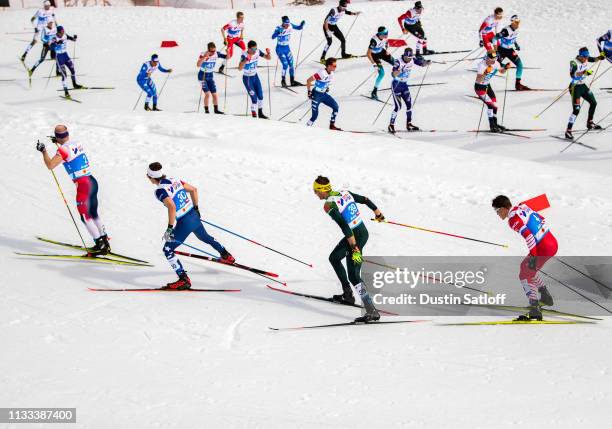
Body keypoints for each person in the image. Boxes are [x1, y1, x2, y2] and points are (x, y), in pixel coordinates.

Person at [146, 162, 234, 290]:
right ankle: (226, 255)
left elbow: (171, 206)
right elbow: (193, 189)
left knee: (167, 249)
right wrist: (196, 208)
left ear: (151, 177)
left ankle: (183, 279)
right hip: (193, 215)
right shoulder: (174, 180)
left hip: (184, 222)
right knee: (205, 237)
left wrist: (170, 228)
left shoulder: (160, 191)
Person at [313, 176, 385, 323]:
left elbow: (345, 226)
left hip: (354, 237)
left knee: (354, 275)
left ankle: (371, 311)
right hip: (361, 233)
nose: (315, 194)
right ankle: (347, 294)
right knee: (334, 258)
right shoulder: (344, 193)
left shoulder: (329, 205)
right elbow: (365, 199)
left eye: (315, 191)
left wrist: (355, 248)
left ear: (321, 191)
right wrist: (378, 213)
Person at [35, 125, 110, 254]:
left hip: (83, 186)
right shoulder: (77, 143)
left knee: (84, 216)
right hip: (92, 181)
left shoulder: (63, 150)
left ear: (58, 137)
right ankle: (105, 241)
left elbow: (51, 165)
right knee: (93, 213)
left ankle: (100, 244)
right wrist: (58, 143)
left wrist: (43, 151)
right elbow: (69, 154)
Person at [492, 195, 557, 321]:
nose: (498, 214)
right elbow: (543, 203)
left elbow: (529, 237)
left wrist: (533, 256)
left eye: (497, 211)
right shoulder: (522, 205)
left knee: (524, 274)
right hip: (551, 241)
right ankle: (545, 295)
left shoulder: (512, 219)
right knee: (525, 268)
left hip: (542, 247)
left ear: (504, 208)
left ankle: (535, 309)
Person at [565, 47, 606, 139]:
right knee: (576, 110)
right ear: (580, 56)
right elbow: (572, 75)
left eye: (587, 57)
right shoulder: (574, 62)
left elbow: (594, 59)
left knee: (593, 103)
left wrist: (600, 57)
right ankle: (568, 131)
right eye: (584, 57)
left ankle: (590, 123)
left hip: (583, 86)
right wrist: (584, 72)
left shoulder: (586, 58)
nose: (586, 59)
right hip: (575, 88)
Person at [388, 47, 430, 134]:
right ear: (404, 56)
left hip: (404, 85)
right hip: (396, 85)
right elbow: (393, 74)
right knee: (398, 107)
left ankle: (409, 124)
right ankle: (391, 125)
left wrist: (427, 63)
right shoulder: (398, 62)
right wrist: (399, 71)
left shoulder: (412, 60)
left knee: (409, 105)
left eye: (410, 58)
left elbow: (421, 64)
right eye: (407, 58)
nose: (409, 60)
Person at [474, 51, 511, 133]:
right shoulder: (481, 65)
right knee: (490, 105)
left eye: (495, 59)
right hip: (480, 87)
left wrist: (506, 68)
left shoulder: (496, 63)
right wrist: (486, 72)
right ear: (487, 58)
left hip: (487, 86)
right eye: (492, 59)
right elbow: (478, 80)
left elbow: (501, 71)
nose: (493, 61)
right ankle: (492, 126)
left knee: (495, 105)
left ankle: (495, 123)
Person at [493, 15, 530, 90]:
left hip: (510, 50)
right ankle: (483, 83)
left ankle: (518, 84)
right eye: (516, 22)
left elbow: (513, 37)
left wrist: (516, 44)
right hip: (502, 51)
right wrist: (496, 51)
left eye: (518, 22)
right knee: (497, 68)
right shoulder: (506, 31)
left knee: (520, 65)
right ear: (512, 22)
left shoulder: (516, 29)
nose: (518, 24)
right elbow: (494, 38)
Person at [239, 40, 272, 119]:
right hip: (247, 78)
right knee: (254, 98)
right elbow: (239, 68)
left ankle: (260, 113)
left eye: (255, 49)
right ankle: (254, 115)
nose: (255, 51)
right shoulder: (244, 55)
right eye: (253, 49)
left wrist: (268, 53)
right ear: (249, 49)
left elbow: (268, 58)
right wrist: (246, 60)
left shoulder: (257, 52)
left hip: (255, 76)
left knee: (260, 95)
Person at [306, 58, 341, 130]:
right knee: (314, 116)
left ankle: (332, 125)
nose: (335, 67)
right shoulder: (321, 73)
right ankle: (306, 128)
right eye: (334, 66)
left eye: (336, 66)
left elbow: (326, 82)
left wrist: (326, 88)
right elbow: (308, 80)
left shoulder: (332, 73)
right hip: (316, 95)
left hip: (324, 95)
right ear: (329, 66)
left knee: (336, 107)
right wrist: (309, 92)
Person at [271, 15, 305, 87]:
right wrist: (278, 32)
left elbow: (299, 28)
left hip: (287, 48)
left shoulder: (290, 25)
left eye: (288, 23)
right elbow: (272, 37)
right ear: (283, 23)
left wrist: (302, 24)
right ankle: (283, 81)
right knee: (285, 65)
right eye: (286, 24)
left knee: (291, 64)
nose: (287, 25)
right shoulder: (278, 28)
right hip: (279, 48)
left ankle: (292, 81)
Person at [50, 26, 81, 99]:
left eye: (63, 31)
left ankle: (74, 84)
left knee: (73, 70)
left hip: (65, 55)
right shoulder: (54, 38)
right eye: (61, 32)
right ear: (58, 32)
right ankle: (66, 92)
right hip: (59, 57)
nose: (62, 33)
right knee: (64, 75)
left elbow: (72, 39)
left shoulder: (65, 35)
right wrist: (57, 43)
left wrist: (75, 38)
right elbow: (51, 47)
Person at [197, 42, 226, 114]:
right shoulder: (203, 54)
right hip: (202, 75)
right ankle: (206, 111)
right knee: (207, 94)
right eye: (211, 51)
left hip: (210, 75)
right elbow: (198, 65)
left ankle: (216, 110)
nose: (213, 52)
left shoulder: (216, 53)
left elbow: (227, 57)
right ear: (208, 50)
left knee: (215, 94)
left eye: (214, 50)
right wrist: (204, 57)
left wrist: (228, 52)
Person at [367, 26, 395, 100]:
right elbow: (368, 54)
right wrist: (374, 64)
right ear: (380, 34)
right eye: (385, 33)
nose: (387, 34)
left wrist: (386, 50)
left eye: (387, 33)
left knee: (396, 64)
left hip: (382, 52)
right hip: (374, 56)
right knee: (382, 73)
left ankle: (401, 81)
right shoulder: (374, 41)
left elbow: (386, 43)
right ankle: (374, 92)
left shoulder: (384, 37)